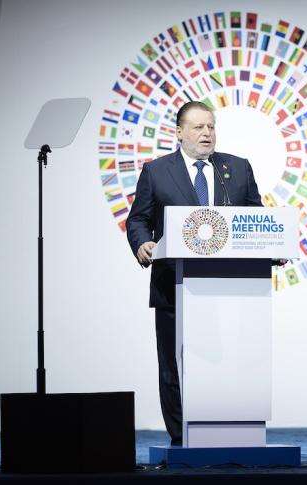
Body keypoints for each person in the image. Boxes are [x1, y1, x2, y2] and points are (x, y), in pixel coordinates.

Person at [126, 101, 263, 444]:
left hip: (229, 287)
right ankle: (180, 437)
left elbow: (256, 219)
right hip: (173, 284)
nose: (206, 134)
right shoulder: (157, 171)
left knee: (225, 361)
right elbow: (139, 218)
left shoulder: (238, 168)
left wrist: (270, 249)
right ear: (179, 133)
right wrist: (143, 243)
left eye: (211, 127)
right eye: (198, 127)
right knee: (174, 367)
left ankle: (227, 430)